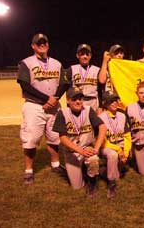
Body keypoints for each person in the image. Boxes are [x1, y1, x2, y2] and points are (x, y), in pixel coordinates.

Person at [17, 33, 66, 185]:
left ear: (48, 45)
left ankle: (55, 165)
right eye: (39, 43)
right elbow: (25, 84)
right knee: (31, 139)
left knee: (54, 137)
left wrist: (54, 99)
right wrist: (46, 99)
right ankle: (29, 171)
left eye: (44, 42)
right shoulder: (26, 63)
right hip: (34, 106)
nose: (42, 45)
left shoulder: (57, 63)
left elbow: (64, 83)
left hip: (53, 105)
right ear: (33, 46)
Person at [52, 87, 106, 197]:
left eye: (80, 98)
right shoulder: (62, 113)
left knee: (93, 159)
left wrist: (96, 148)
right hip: (71, 151)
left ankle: (92, 182)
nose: (78, 101)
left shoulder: (88, 110)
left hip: (87, 148)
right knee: (77, 186)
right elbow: (63, 138)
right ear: (68, 100)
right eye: (74, 99)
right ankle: (81, 170)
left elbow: (102, 127)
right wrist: (80, 151)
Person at [98, 91, 131, 198]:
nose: (114, 103)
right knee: (113, 155)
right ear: (106, 103)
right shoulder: (101, 117)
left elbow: (127, 136)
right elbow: (102, 141)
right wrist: (118, 150)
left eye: (115, 100)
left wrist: (125, 152)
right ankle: (111, 184)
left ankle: (104, 171)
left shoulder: (122, 115)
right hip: (107, 147)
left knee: (131, 153)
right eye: (111, 101)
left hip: (120, 146)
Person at [67, 44, 101, 111]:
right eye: (82, 54)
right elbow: (67, 89)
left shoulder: (97, 70)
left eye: (87, 54)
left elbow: (100, 91)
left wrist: (100, 107)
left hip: (92, 102)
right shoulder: (72, 69)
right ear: (77, 56)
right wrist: (68, 105)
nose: (85, 56)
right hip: (77, 102)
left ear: (90, 56)